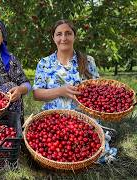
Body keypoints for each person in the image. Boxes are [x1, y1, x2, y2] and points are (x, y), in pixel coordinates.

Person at [33, 19, 117, 164]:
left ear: (74, 36)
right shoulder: (45, 63)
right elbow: (37, 94)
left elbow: (98, 92)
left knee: (86, 148)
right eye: (59, 34)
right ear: (53, 38)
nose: (63, 38)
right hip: (53, 119)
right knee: (52, 147)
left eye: (68, 33)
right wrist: (61, 90)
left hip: (82, 120)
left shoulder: (87, 61)